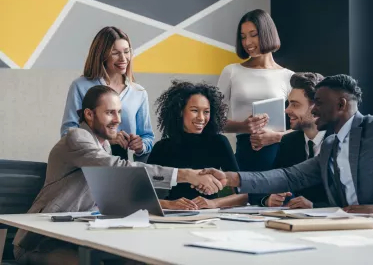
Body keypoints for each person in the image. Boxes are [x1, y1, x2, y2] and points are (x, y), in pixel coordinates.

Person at [13, 85, 225, 265]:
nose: (117, 120)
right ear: (89, 114)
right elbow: (119, 167)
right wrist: (186, 174)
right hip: (41, 242)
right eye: (110, 113)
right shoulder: (77, 138)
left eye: (119, 112)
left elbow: (118, 199)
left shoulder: (102, 147)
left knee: (140, 257)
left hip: (81, 236)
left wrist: (169, 205)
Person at [202, 74, 373, 216]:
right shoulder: (331, 145)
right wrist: (230, 178)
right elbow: (290, 176)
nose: (315, 109)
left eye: (320, 103)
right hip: (350, 224)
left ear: (341, 105)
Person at [147, 81, 248, 209]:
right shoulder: (162, 147)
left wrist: (213, 203)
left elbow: (244, 196)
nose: (201, 118)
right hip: (172, 215)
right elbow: (140, 196)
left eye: (206, 112)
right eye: (194, 110)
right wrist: (169, 204)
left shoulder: (219, 143)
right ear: (180, 112)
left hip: (211, 216)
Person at [217, 9, 294, 172]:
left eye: (253, 34)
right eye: (243, 36)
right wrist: (244, 127)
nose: (248, 42)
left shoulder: (288, 77)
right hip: (246, 154)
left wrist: (278, 137)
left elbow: (306, 126)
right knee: (247, 196)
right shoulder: (231, 71)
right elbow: (214, 121)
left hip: (281, 157)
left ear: (267, 33)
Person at [61, 26, 153, 161]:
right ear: (102, 55)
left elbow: (147, 137)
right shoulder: (80, 86)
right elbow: (67, 134)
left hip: (123, 166)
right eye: (115, 53)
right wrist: (106, 138)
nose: (123, 59)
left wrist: (141, 145)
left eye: (126, 52)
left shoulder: (138, 93)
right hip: (88, 163)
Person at [262, 72, 329, 209]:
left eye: (295, 105)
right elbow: (271, 182)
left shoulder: (340, 141)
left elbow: (352, 198)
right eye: (289, 104)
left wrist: (314, 206)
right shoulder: (289, 142)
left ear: (317, 107)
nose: (287, 110)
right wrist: (269, 198)